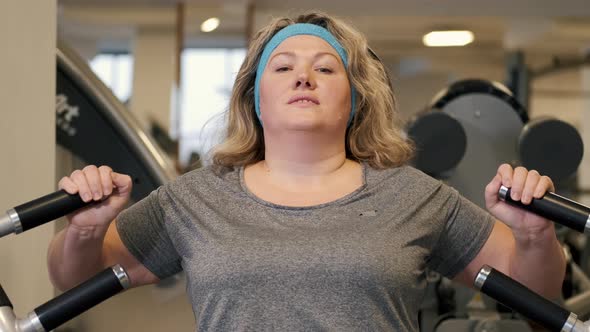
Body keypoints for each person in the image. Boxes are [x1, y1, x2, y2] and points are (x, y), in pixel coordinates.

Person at [47, 11, 565, 331]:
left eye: (325, 68)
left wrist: (536, 238)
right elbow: (75, 283)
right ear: (255, 97)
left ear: (355, 98)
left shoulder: (416, 197)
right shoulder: (194, 199)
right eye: (283, 66)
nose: (303, 77)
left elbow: (536, 298)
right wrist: (86, 231)